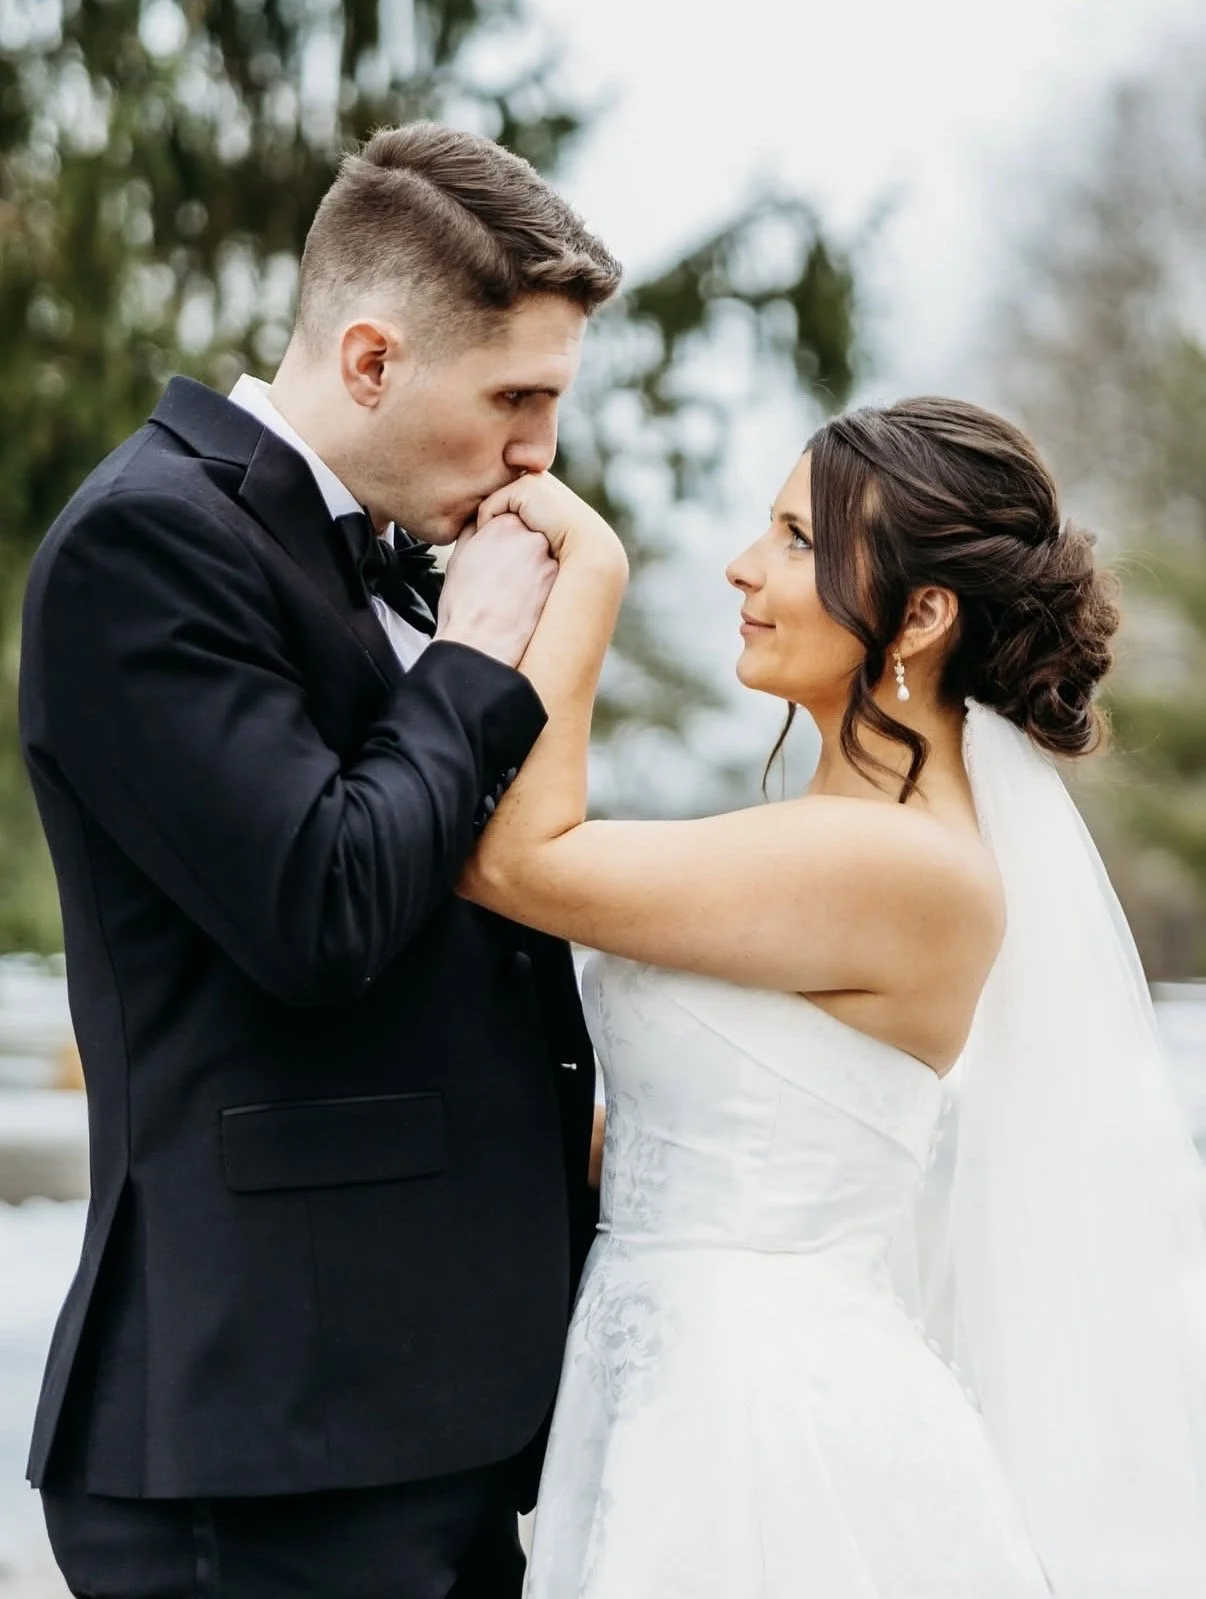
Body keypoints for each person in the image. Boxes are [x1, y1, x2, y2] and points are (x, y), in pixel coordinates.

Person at [460, 397, 1206, 1597]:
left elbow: (516, 863)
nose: (743, 566)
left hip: (763, 1434)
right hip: (666, 1392)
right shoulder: (832, 844)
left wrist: (587, 577)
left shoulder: (905, 864)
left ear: (921, 613)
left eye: (800, 541)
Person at [19, 123, 620, 1599]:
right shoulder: (143, 545)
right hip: (272, 1433)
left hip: (420, 1415)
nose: (536, 451)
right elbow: (320, 901)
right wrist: (478, 648)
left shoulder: (380, 548)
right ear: (368, 361)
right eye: (514, 397)